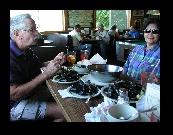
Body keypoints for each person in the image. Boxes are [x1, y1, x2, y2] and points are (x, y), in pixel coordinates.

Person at [10, 13, 67, 122]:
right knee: (66, 111)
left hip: (29, 94)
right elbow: (14, 95)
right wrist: (46, 74)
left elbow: (40, 64)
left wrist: (55, 61)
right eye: (32, 30)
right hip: (14, 105)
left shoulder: (26, 50)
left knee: (63, 93)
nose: (37, 33)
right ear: (17, 33)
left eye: (36, 29)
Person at [120, 17, 160, 85]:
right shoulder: (137, 49)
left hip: (144, 92)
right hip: (126, 88)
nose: (150, 34)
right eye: (147, 31)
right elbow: (126, 67)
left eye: (155, 31)